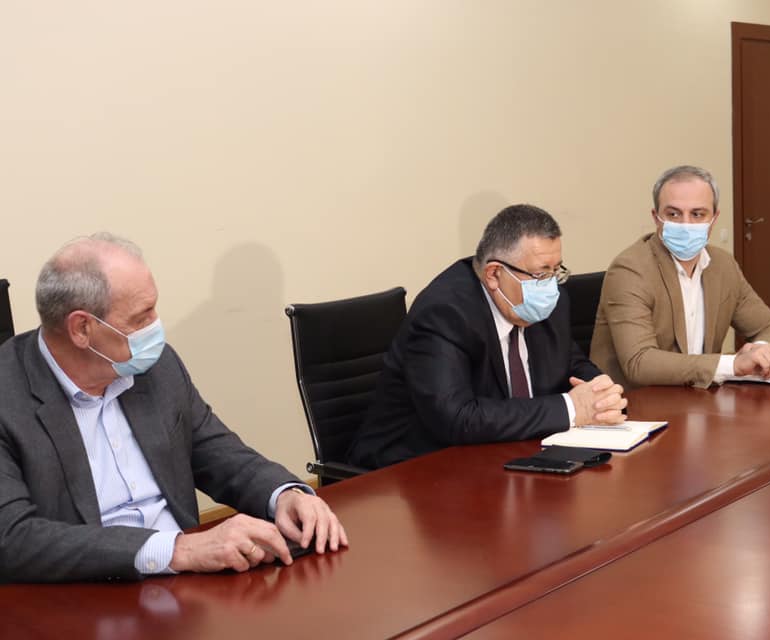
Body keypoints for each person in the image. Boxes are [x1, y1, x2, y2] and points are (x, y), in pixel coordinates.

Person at [0, 233, 347, 583]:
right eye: (141, 317)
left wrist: (283, 494)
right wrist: (177, 550)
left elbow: (216, 450)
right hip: (82, 591)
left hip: (186, 584)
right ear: (81, 328)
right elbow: (12, 538)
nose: (156, 327)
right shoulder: (8, 395)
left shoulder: (155, 366)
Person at [348, 204, 627, 469]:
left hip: (504, 454)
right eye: (541, 274)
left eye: (556, 271)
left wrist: (602, 396)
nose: (551, 286)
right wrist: (571, 408)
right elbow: (457, 417)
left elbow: (570, 362)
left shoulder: (550, 303)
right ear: (494, 274)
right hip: (410, 469)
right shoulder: (445, 313)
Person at [590, 165, 770, 389]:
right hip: (635, 403)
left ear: (714, 218)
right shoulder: (630, 270)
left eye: (697, 214)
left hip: (696, 397)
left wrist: (762, 350)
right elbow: (640, 363)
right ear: (656, 217)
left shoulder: (723, 265)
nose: (686, 224)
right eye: (673, 214)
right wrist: (733, 365)